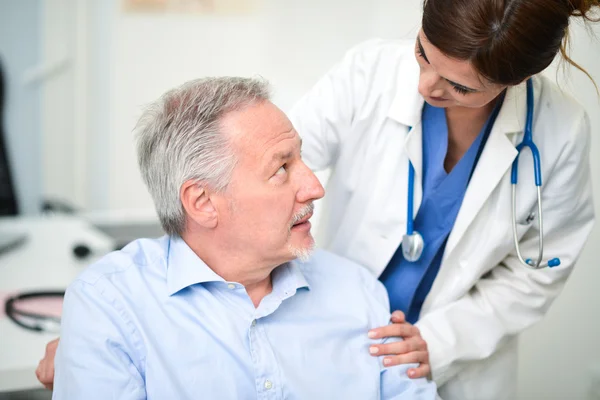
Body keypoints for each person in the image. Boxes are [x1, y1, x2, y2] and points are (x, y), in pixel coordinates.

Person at [51, 77, 439, 399]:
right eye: (282, 169)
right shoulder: (110, 306)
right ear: (202, 202)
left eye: (301, 159)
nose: (314, 187)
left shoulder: (359, 292)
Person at [289, 0, 598, 399]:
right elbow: (280, 170)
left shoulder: (561, 131)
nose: (425, 86)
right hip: (329, 331)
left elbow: (539, 272)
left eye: (461, 87)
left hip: (451, 361)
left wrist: (439, 342)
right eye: (423, 52)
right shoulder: (369, 73)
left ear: (518, 78)